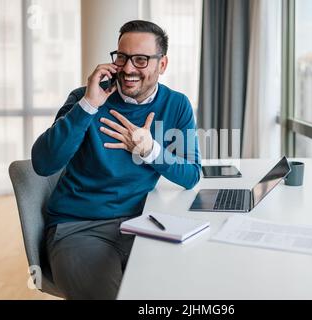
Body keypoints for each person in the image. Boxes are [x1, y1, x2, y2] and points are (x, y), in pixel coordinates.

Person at [31, 20, 201, 300]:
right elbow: (43, 163)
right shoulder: (84, 98)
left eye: (141, 59)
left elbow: (191, 175)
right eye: (122, 57)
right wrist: (88, 106)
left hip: (144, 223)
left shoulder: (177, 104)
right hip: (78, 226)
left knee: (181, 288)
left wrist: (151, 151)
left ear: (162, 64)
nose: (129, 68)